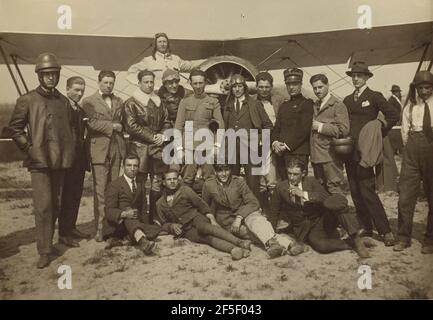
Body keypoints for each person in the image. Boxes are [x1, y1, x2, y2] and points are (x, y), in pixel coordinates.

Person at [7, 53, 76, 268]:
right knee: (44, 206)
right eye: (46, 74)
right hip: (39, 161)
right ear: (39, 75)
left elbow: (70, 129)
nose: (50, 78)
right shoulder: (27, 99)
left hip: (60, 161)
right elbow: (15, 129)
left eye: (53, 74)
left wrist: (69, 151)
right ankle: (44, 250)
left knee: (55, 204)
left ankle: (50, 242)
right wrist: (29, 148)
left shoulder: (63, 101)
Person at [343, 61, 399, 246]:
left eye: (360, 75)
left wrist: (379, 129)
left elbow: (393, 115)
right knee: (355, 192)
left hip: (366, 153)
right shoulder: (347, 100)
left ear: (367, 77)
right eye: (354, 76)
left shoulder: (374, 96)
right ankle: (366, 226)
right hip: (349, 153)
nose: (356, 79)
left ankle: (385, 231)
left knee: (368, 191)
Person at [269, 158, 370, 258]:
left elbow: (325, 198)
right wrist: (270, 235)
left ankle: (356, 238)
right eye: (289, 173)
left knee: (335, 203)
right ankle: (351, 244)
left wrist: (304, 194)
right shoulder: (280, 187)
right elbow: (273, 211)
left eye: (295, 174)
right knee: (322, 246)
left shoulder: (311, 181)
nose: (291, 177)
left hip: (322, 219)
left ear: (303, 173)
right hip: (306, 228)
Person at [155, 169, 251, 260]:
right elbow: (163, 223)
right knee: (206, 239)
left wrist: (212, 219)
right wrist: (171, 226)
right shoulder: (160, 203)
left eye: (174, 179)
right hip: (185, 229)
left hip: (196, 217)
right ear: (164, 182)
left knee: (205, 228)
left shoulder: (185, 190)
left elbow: (201, 205)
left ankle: (240, 242)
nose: (172, 181)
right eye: (169, 179)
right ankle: (233, 249)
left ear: (178, 179)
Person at [202, 163, 292, 258]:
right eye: (220, 171)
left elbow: (253, 202)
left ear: (231, 170)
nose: (224, 174)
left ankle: (273, 245)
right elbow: (204, 207)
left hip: (245, 214)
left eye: (226, 170)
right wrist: (213, 221)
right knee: (256, 233)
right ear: (215, 171)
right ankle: (288, 244)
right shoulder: (209, 185)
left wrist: (239, 217)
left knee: (257, 220)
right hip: (227, 222)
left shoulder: (238, 181)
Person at [82, 70, 126, 242]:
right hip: (99, 151)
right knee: (100, 191)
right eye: (106, 82)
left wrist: (119, 127)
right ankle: (100, 229)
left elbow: (122, 122)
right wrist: (112, 126)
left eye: (111, 83)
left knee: (113, 189)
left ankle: (113, 227)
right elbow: (92, 124)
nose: (109, 85)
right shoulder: (88, 101)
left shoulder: (119, 101)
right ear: (99, 82)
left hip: (116, 149)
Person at [123, 70, 170, 223]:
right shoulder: (131, 102)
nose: (149, 85)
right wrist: (153, 137)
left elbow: (166, 121)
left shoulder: (159, 102)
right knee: (139, 185)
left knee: (157, 182)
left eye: (151, 82)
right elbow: (131, 126)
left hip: (157, 148)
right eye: (146, 82)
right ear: (139, 83)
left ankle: (155, 217)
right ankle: (139, 219)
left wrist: (162, 135)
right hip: (139, 149)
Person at [394, 71, 433, 254]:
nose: (424, 91)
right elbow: (403, 130)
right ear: (415, 88)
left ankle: (430, 240)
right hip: (411, 149)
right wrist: (409, 148)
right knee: (405, 196)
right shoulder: (410, 105)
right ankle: (403, 237)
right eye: (421, 88)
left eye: (428, 87)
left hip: (431, 148)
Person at [223, 74, 273, 203]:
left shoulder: (255, 104)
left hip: (251, 148)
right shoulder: (227, 105)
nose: (237, 89)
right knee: (232, 180)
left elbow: (268, 125)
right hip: (233, 148)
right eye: (234, 87)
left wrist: (260, 140)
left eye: (240, 86)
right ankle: (234, 206)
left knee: (253, 181)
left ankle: (255, 207)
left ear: (244, 87)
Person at [174, 69, 224, 188]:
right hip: (189, 145)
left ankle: (210, 206)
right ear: (190, 84)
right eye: (195, 83)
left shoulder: (213, 101)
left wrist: (217, 146)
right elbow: (178, 126)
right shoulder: (185, 102)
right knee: (187, 179)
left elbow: (220, 125)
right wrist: (180, 148)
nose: (198, 86)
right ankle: (186, 205)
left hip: (207, 145)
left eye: (200, 83)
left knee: (210, 179)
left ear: (205, 83)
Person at [103, 155, 160, 255]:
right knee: (130, 214)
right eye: (129, 165)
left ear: (138, 167)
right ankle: (142, 241)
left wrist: (144, 223)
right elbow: (109, 211)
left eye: (135, 166)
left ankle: (126, 239)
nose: (132, 169)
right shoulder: (114, 185)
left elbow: (143, 208)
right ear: (123, 166)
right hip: (118, 224)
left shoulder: (140, 183)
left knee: (155, 230)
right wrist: (124, 214)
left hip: (133, 223)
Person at [59, 76, 91, 247]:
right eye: (77, 90)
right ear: (67, 89)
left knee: (75, 195)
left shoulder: (80, 110)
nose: (79, 93)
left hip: (78, 159)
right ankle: (63, 233)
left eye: (82, 90)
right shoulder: (62, 108)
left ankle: (71, 227)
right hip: (66, 159)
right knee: (66, 196)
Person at [309, 74, 350, 194]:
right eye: (315, 88)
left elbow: (344, 130)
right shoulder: (315, 105)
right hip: (316, 156)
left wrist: (320, 127)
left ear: (327, 85)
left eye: (320, 87)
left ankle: (341, 213)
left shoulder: (338, 105)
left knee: (334, 187)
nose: (317, 91)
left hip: (330, 156)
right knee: (321, 190)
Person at [271, 68, 314, 179]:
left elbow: (304, 129)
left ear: (300, 84)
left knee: (298, 185)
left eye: (295, 83)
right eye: (288, 84)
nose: (291, 87)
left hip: (298, 152)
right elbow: (277, 127)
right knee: (284, 184)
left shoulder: (307, 104)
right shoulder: (284, 105)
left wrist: (286, 146)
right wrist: (275, 142)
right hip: (281, 153)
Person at [127, 32, 205, 88]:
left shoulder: (175, 59)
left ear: (167, 44)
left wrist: (209, 60)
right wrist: (144, 85)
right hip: (158, 94)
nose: (162, 44)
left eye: (164, 42)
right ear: (156, 44)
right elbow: (131, 71)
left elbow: (191, 65)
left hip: (174, 94)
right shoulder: (148, 60)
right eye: (160, 42)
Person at [254, 72, 285, 204]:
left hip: (275, 141)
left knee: (272, 179)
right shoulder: (251, 101)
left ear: (271, 86)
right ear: (256, 87)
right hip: (258, 143)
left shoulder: (279, 100)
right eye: (261, 87)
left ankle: (275, 209)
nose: (264, 90)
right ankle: (262, 207)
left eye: (267, 87)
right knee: (260, 179)